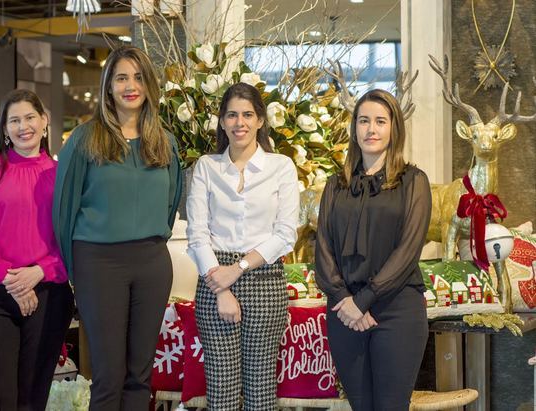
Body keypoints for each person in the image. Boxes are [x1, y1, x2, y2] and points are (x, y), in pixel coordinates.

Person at [52, 45, 182, 411]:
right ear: (108, 86)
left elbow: (171, 204)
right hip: (99, 263)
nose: (131, 86)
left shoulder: (165, 142)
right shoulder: (84, 140)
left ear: (149, 85)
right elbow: (63, 211)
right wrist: (78, 272)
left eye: (138, 77)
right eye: (122, 77)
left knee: (141, 376)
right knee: (108, 375)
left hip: (152, 263)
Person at [0, 89, 74, 411]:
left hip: (47, 294)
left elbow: (72, 239)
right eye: (15, 120)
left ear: (45, 121)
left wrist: (39, 272)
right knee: (1, 401)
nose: (24, 126)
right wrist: (12, 279)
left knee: (32, 401)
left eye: (30, 117)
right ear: (5, 129)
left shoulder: (62, 176)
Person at [315, 88, 432, 410]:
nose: (371, 129)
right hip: (344, 311)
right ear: (354, 128)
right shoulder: (335, 184)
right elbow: (322, 247)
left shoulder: (413, 181)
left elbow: (409, 250)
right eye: (364, 120)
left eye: (381, 121)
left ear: (394, 128)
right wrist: (344, 300)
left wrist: (364, 301)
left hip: (397, 309)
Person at [186, 82, 299, 410]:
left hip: (263, 279)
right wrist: (221, 287)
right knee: (220, 392)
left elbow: (285, 234)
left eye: (248, 115)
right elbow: (197, 234)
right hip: (213, 279)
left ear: (261, 120)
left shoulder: (281, 167)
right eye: (232, 115)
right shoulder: (206, 167)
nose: (240, 123)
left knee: (261, 391)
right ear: (221, 122)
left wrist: (238, 269)